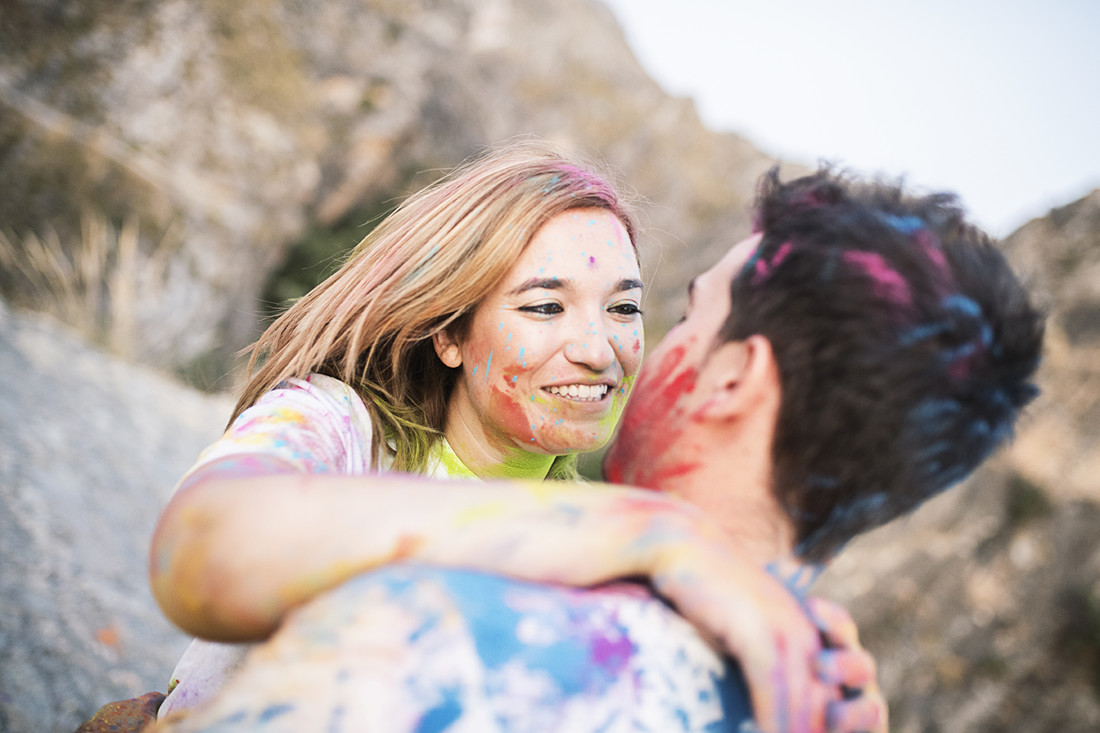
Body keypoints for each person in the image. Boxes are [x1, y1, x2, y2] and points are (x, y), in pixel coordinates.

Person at [146, 165, 1043, 733]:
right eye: (544, 306)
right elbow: (204, 538)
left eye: (636, 308)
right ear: (448, 332)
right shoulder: (341, 425)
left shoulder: (456, 631)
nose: (606, 349)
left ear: (736, 380)